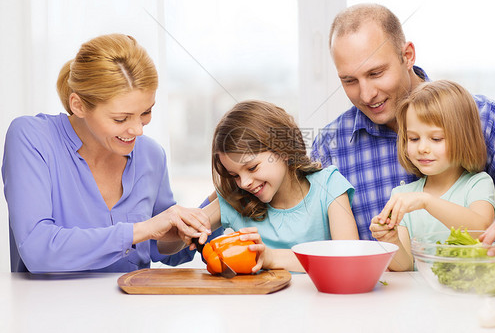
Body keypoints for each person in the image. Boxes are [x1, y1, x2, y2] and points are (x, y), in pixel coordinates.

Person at [311, 3, 495, 251]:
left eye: (376, 73)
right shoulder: (329, 145)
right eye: (349, 80)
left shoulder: (482, 118)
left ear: (407, 55)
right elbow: (311, 240)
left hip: (471, 287)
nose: (366, 95)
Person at [2, 34, 211, 273]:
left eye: (146, 112)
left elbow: (160, 247)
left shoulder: (151, 155)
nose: (138, 130)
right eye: (120, 118)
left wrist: (216, 207)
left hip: (136, 309)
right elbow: (38, 250)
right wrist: (142, 229)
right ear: (78, 105)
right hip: (52, 309)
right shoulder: (32, 138)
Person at [192, 100, 359, 272]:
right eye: (235, 175)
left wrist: (272, 258)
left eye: (252, 167)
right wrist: (185, 230)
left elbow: (350, 258)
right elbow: (172, 244)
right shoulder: (238, 200)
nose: (244, 183)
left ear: (284, 150)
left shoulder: (329, 185)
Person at [370, 80, 495, 270]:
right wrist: (391, 239)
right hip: (420, 297)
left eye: (436, 138)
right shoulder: (402, 196)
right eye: (413, 138)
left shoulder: (477, 183)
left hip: (467, 295)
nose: (422, 148)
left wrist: (426, 201)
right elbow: (404, 266)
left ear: (463, 138)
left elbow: (481, 230)